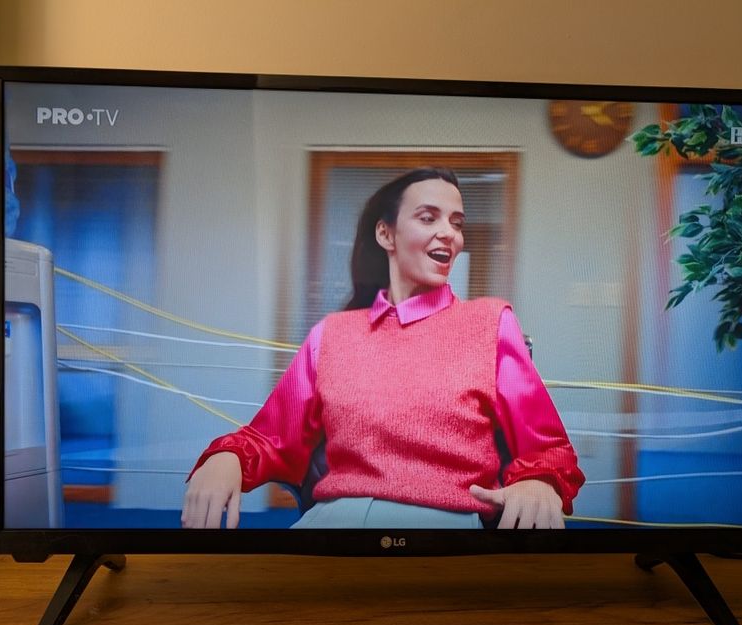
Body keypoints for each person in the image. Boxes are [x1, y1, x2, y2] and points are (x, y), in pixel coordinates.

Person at [181, 167, 585, 530]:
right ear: (385, 234)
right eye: (428, 217)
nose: (450, 233)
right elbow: (270, 438)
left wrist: (540, 481)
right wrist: (226, 458)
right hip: (334, 526)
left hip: (446, 532)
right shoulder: (332, 333)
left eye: (457, 222)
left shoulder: (491, 322)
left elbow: (549, 449)